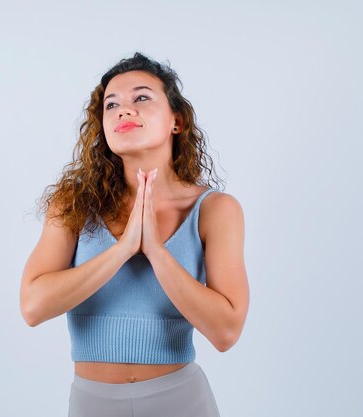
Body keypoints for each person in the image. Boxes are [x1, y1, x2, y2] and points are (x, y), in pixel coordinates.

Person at [20, 52, 249, 417]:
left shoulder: (215, 210)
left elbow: (226, 332)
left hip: (181, 400)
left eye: (141, 98)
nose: (124, 111)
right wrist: (124, 249)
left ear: (177, 120)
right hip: (93, 403)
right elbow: (33, 306)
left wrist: (156, 251)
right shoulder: (73, 203)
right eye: (111, 105)